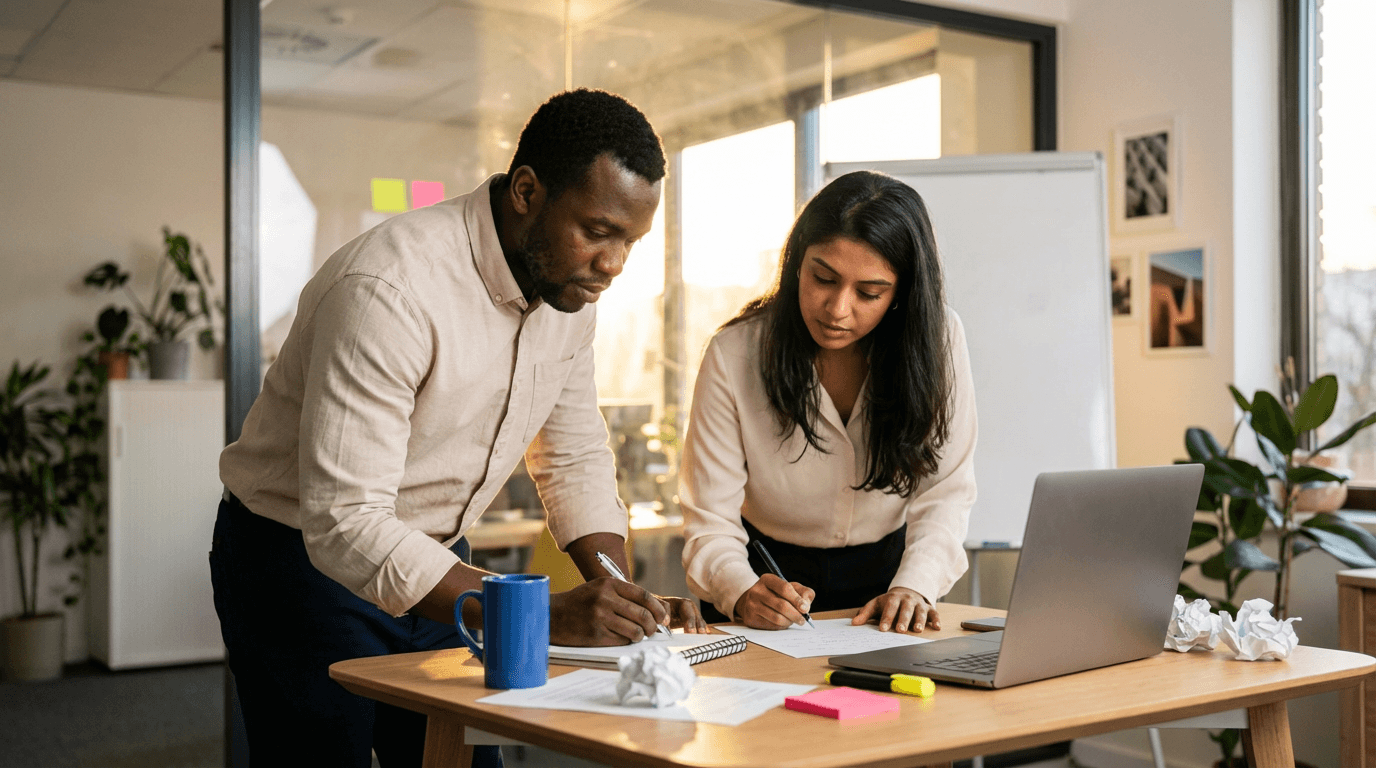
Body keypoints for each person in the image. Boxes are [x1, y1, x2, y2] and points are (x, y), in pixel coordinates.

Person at [210, 89, 706, 768]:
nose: (614, 263)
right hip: (301, 563)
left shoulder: (569, 296)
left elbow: (572, 456)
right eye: (597, 230)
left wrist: (612, 584)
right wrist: (541, 613)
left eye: (629, 241)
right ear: (527, 191)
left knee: (461, 758)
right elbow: (347, 521)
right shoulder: (391, 287)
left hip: (443, 559)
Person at [679, 170, 977, 636]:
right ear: (797, 262)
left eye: (869, 293)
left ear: (901, 294)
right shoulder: (735, 353)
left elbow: (946, 492)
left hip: (887, 585)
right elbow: (710, 516)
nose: (838, 309)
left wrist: (916, 586)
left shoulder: (938, 341)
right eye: (823, 278)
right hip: (764, 578)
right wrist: (739, 589)